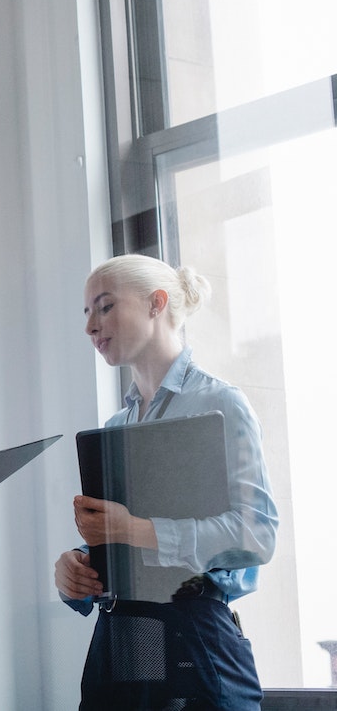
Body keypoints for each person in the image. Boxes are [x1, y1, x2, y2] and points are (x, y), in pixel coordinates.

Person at [55, 254, 278, 710]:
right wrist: (77, 568)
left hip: (195, 635)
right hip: (124, 638)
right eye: (87, 313)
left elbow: (257, 535)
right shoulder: (116, 426)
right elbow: (121, 550)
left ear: (157, 303)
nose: (91, 327)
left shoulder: (220, 404)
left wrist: (132, 529)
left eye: (105, 306)